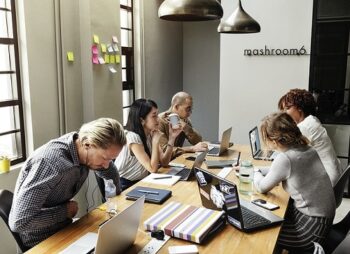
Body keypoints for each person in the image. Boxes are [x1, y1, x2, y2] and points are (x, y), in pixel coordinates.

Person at [9, 118, 126, 249]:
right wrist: (65, 211)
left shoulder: (80, 145)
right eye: (104, 158)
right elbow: (20, 222)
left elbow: (109, 171)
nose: (106, 165)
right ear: (87, 144)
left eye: (111, 159)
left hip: (64, 226)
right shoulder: (50, 164)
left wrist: (117, 200)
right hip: (41, 240)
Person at [254, 112, 336, 253]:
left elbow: (262, 187)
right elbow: (278, 170)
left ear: (274, 141)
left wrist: (254, 173)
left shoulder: (285, 159)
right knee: (273, 216)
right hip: (323, 221)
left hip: (312, 230)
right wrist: (257, 169)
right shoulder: (307, 148)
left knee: (264, 233)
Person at [278, 88, 342, 186]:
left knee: (284, 179)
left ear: (299, 108)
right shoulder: (312, 120)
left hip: (327, 182)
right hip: (332, 177)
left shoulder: (305, 127)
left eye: (287, 108)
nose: (284, 113)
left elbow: (285, 152)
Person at [115, 99, 182, 190]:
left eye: (157, 115)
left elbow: (164, 162)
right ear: (142, 120)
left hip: (142, 181)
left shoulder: (151, 133)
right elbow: (152, 169)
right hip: (125, 185)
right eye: (154, 116)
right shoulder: (132, 137)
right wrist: (155, 142)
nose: (158, 119)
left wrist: (172, 138)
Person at [158, 91, 208, 158]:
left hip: (176, 160)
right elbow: (164, 150)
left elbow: (198, 142)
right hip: (162, 165)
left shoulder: (184, 120)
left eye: (191, 109)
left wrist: (186, 128)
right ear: (176, 107)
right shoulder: (160, 121)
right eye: (187, 109)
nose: (190, 113)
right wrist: (191, 148)